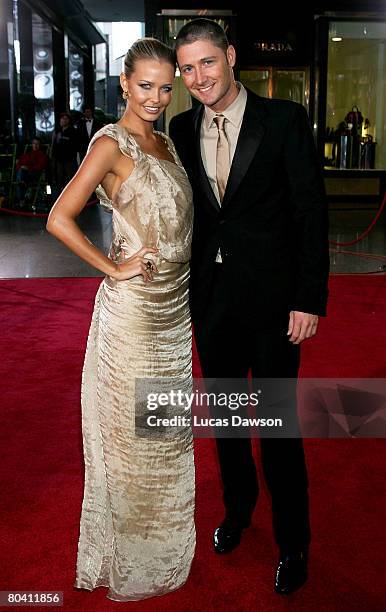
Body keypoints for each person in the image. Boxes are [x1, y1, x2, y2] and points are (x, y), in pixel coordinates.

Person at [169, 18, 329, 596]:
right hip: (212, 306)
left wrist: (309, 297)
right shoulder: (182, 129)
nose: (197, 77)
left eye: (206, 63)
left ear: (231, 56)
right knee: (231, 424)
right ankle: (238, 512)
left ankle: (294, 541)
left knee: (277, 428)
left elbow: (311, 211)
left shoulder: (283, 120)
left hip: (275, 306)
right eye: (187, 69)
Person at [46, 38, 195, 602]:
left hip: (174, 312)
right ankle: (127, 555)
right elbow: (60, 217)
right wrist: (112, 267)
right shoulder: (110, 144)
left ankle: (161, 547)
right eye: (145, 85)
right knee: (131, 439)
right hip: (132, 316)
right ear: (124, 85)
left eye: (165, 86)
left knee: (165, 436)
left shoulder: (168, 142)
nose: (155, 96)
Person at [15, 137, 48, 205]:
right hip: (24, 174)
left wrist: (28, 168)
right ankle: (22, 185)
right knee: (20, 173)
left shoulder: (42, 155)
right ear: (32, 144)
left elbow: (40, 167)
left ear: (39, 145)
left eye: (37, 144)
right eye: (34, 143)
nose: (35, 145)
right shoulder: (27, 154)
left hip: (34, 175)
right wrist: (22, 167)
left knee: (20, 179)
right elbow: (18, 164)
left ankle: (21, 200)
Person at [51, 112, 78, 194]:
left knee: (71, 179)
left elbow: (74, 145)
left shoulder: (72, 131)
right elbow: (54, 145)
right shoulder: (57, 131)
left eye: (66, 119)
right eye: (62, 119)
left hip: (69, 160)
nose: (63, 120)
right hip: (59, 160)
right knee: (59, 180)